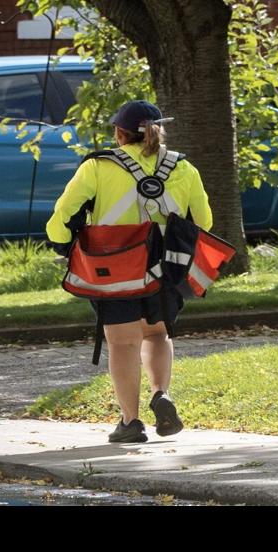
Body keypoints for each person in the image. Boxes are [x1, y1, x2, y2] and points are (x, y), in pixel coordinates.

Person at [46, 100, 213, 444]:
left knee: (122, 343)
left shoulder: (98, 167)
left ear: (118, 133)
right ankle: (161, 393)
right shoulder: (184, 168)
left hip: (114, 269)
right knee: (156, 334)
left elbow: (65, 211)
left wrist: (61, 242)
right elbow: (205, 223)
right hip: (165, 269)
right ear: (159, 130)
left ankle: (130, 422)